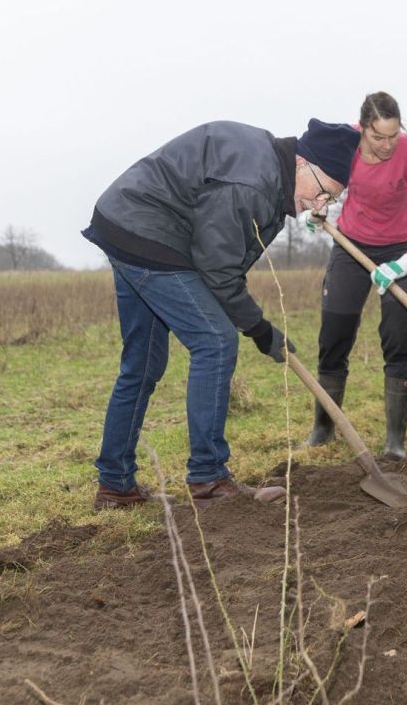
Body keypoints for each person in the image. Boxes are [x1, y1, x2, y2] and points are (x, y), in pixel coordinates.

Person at [83, 118, 360, 511]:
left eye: (330, 201)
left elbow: (226, 259)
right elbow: (217, 268)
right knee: (215, 341)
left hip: (126, 222)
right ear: (303, 163)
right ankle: (209, 478)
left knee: (143, 362)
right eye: (323, 193)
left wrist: (252, 321)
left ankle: (115, 486)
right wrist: (260, 329)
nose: (320, 206)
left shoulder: (269, 174)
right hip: (149, 232)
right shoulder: (253, 183)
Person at [303, 92, 407, 460]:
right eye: (378, 137)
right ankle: (323, 429)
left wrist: (403, 265)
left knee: (399, 339)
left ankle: (394, 443)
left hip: (403, 248)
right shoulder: (346, 142)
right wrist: (317, 206)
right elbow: (319, 183)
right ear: (363, 128)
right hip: (352, 246)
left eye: (393, 136)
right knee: (334, 335)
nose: (387, 145)